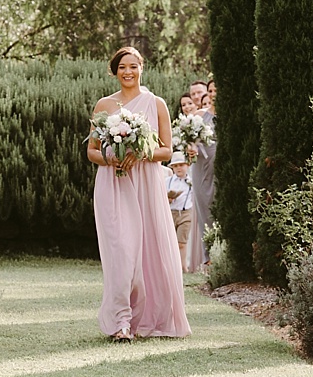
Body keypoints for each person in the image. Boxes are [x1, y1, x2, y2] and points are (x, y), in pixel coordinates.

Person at [87, 46, 190, 342]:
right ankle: (121, 322)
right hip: (113, 185)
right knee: (121, 251)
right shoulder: (104, 105)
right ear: (114, 71)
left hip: (146, 184)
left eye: (133, 66)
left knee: (148, 251)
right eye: (122, 67)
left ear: (142, 67)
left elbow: (167, 150)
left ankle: (146, 317)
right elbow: (91, 151)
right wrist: (111, 158)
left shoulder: (156, 104)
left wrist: (142, 152)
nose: (128, 72)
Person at [185, 81, 218, 274]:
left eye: (216, 90)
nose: (213, 94)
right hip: (202, 169)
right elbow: (187, 140)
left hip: (222, 168)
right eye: (211, 90)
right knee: (206, 212)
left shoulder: (230, 116)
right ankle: (209, 261)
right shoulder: (198, 116)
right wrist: (190, 148)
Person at [168, 151, 194, 266]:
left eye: (181, 165)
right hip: (171, 213)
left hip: (185, 213)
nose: (179, 168)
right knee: (170, 242)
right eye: (175, 166)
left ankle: (183, 266)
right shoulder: (167, 181)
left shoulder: (191, 182)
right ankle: (173, 265)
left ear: (187, 165)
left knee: (181, 242)